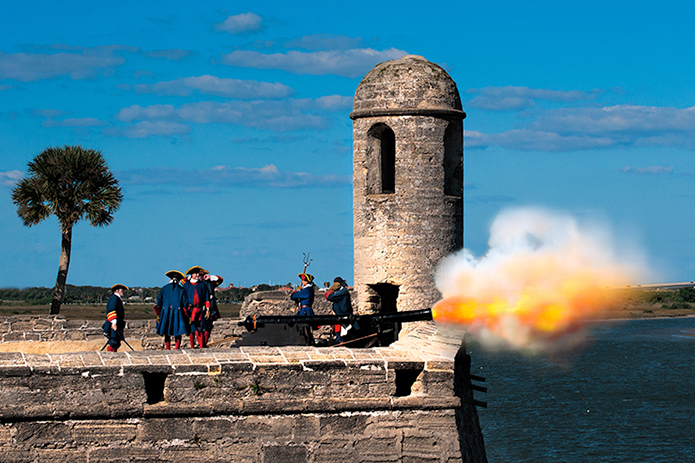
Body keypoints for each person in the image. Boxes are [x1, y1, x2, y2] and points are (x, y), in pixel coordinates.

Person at [153, 270, 189, 350]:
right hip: (178, 312)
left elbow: (159, 300)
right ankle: (176, 348)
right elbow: (185, 302)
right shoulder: (181, 289)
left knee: (166, 331)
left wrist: (159, 311)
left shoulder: (164, 288)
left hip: (166, 312)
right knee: (178, 331)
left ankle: (167, 348)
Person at [183, 265, 212, 348]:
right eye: (195, 273)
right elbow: (183, 298)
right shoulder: (186, 285)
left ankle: (201, 345)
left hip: (199, 309)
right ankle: (192, 345)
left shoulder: (202, 285)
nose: (197, 275)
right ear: (192, 275)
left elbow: (207, 297)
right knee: (191, 328)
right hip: (190, 309)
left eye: (197, 273)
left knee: (200, 328)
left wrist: (207, 308)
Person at [325, 277, 357, 343]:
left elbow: (329, 297)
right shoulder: (342, 291)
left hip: (342, 315)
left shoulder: (343, 292)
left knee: (340, 332)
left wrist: (330, 290)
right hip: (340, 314)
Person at [200, 269, 222, 347]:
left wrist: (210, 277)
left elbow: (220, 279)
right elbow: (183, 281)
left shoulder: (210, 283)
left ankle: (204, 343)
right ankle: (200, 343)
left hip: (210, 307)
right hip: (199, 307)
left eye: (202, 275)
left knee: (208, 326)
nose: (201, 277)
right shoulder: (195, 283)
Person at [105, 283, 128, 352]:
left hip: (118, 323)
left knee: (117, 342)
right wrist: (114, 323)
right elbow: (111, 311)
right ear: (118, 290)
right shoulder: (114, 298)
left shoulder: (117, 298)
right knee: (113, 341)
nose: (123, 292)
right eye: (122, 290)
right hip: (114, 324)